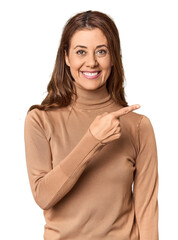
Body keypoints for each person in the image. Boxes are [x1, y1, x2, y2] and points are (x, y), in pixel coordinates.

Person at [24, 10, 159, 240]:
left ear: (113, 57)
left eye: (101, 51)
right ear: (66, 57)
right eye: (81, 52)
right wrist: (92, 140)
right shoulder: (40, 119)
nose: (91, 62)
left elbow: (147, 213)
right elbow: (44, 197)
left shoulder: (138, 126)